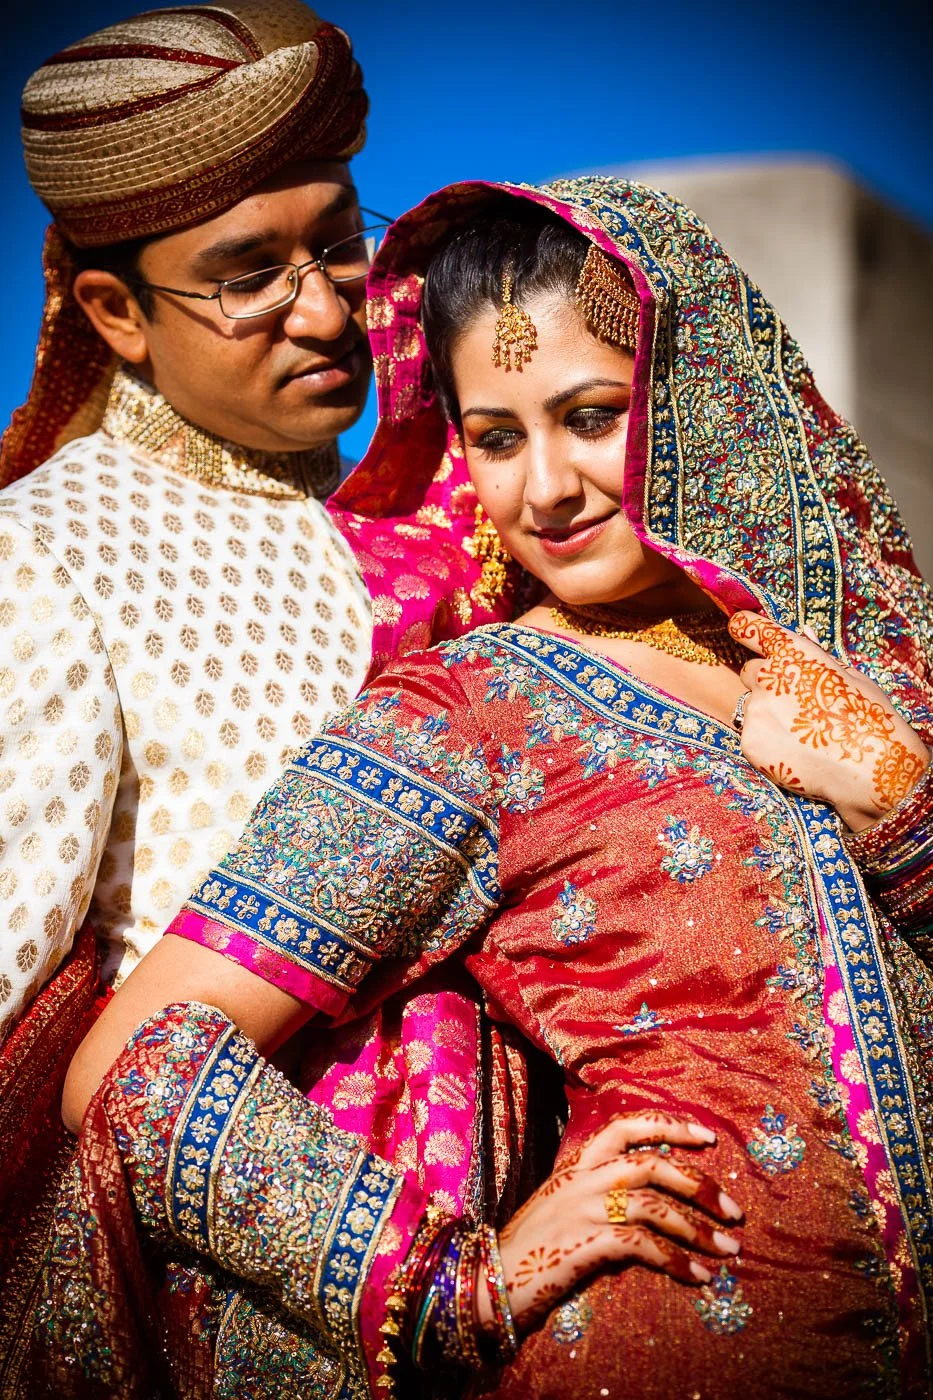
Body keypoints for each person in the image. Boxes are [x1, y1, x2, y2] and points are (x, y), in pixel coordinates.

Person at [47, 177, 933, 1397]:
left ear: (699, 402)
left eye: (592, 415)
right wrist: (447, 1272)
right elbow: (135, 1063)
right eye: (499, 437)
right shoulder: (473, 710)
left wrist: (902, 807)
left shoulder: (859, 662)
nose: (547, 489)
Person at [0, 4, 506, 1379]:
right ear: (113, 312)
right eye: (249, 275)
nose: (329, 308)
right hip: (251, 1296)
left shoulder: (430, 513)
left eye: (337, 242)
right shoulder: (48, 554)